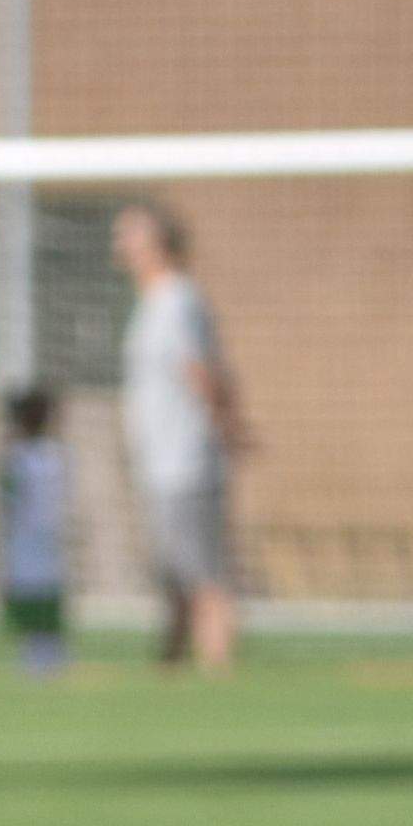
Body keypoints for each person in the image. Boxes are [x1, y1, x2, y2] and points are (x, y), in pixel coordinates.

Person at [115, 200, 246, 669]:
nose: (121, 245)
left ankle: (218, 665)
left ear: (158, 244)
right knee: (172, 570)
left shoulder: (177, 300)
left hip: (185, 459)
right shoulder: (151, 303)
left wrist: (228, 429)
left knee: (202, 570)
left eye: (130, 235)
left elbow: (201, 371)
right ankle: (170, 664)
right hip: (158, 460)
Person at [0, 382, 75, 673]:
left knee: (41, 613)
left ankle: (43, 667)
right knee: (39, 615)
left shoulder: (22, 457)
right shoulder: (48, 455)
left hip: (34, 546)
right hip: (38, 546)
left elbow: (8, 504)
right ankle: (43, 665)